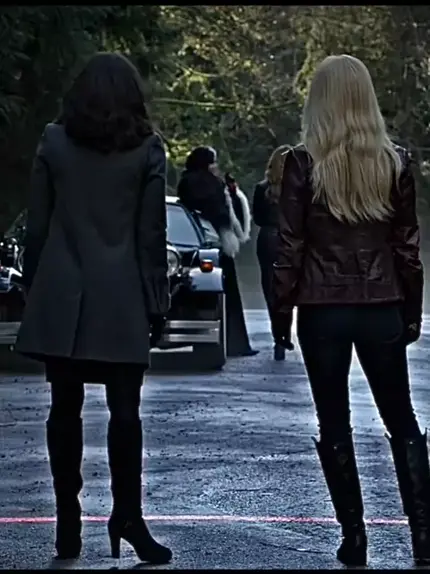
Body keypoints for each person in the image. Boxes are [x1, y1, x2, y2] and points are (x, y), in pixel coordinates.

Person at [15, 52, 172, 564]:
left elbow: (38, 226)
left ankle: (68, 520)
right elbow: (150, 235)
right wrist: (157, 302)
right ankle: (128, 516)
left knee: (64, 407)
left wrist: (34, 289)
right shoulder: (148, 149)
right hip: (122, 295)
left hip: (63, 292)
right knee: (126, 412)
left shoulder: (54, 141)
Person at [272, 54, 428, 567]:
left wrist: (281, 313)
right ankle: (424, 537)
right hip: (381, 303)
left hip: (322, 308)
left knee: (334, 420)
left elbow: (290, 247)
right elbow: (407, 247)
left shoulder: (302, 164)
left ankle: (354, 537)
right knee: (402, 418)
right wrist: (411, 310)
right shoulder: (394, 161)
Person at [177, 147, 258, 357]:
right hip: (217, 242)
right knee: (227, 295)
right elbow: (226, 215)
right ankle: (235, 343)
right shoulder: (212, 184)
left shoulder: (186, 182)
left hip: (196, 243)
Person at [252, 145, 294, 360]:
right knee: (288, 287)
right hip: (290, 239)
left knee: (270, 288)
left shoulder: (262, 188)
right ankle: (285, 332)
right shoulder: (298, 188)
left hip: (268, 238)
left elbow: (258, 218)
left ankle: (278, 334)